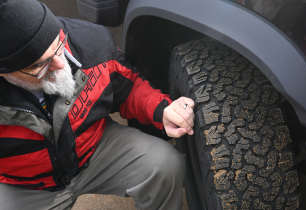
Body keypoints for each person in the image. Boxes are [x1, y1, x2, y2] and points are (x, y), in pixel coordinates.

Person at [0, 0, 195, 209]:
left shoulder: (90, 42)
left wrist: (162, 110)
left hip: (94, 150)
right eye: (40, 65)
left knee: (164, 164)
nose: (59, 64)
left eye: (59, 46)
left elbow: (128, 88)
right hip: (25, 185)